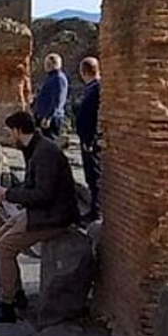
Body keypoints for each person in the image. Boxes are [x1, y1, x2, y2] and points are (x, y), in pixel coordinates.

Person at [0, 111, 80, 323]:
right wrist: (10, 193)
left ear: (17, 130)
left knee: (5, 248)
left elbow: (43, 194)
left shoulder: (45, 153)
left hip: (53, 216)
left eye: (9, 131)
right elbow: (34, 187)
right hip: (42, 211)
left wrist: (8, 194)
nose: (9, 135)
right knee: (0, 238)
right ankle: (16, 292)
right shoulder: (36, 148)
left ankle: (8, 306)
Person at [76, 57, 102, 224]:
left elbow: (90, 117)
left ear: (83, 72)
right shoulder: (92, 89)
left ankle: (96, 211)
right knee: (90, 177)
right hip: (89, 140)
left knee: (94, 177)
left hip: (91, 142)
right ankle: (94, 209)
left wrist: (88, 140)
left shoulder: (96, 90)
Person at [33, 53, 69, 141]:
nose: (45, 66)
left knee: (50, 142)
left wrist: (48, 116)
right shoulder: (51, 78)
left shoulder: (58, 79)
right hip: (44, 116)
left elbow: (57, 100)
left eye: (48, 64)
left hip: (51, 119)